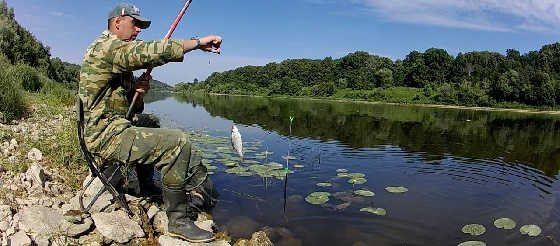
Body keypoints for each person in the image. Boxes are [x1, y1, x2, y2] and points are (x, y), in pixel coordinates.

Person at [78, 3, 222, 243]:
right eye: (135, 24)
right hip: (104, 135)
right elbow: (149, 52)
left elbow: (129, 109)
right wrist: (196, 43)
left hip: (111, 127)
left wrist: (137, 93)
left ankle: (145, 186)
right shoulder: (106, 47)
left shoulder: (114, 54)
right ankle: (178, 221)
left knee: (150, 122)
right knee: (177, 142)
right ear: (117, 23)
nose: (138, 30)